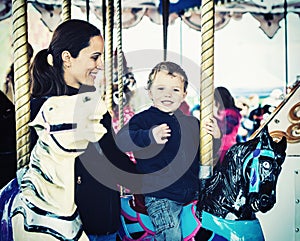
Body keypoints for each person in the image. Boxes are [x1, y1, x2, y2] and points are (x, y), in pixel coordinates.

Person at [30, 19, 137, 241]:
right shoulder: (43, 109)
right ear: (67, 58)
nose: (100, 65)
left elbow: (113, 154)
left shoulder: (92, 103)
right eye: (94, 57)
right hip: (66, 224)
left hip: (104, 220)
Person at [116, 61, 221, 241]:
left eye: (175, 90)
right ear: (149, 92)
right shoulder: (143, 120)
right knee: (171, 234)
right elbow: (122, 140)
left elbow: (207, 155)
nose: (168, 95)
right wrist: (149, 136)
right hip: (161, 197)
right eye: (161, 89)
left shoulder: (192, 123)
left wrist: (216, 138)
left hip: (193, 194)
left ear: (184, 94)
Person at [213, 86, 242, 164]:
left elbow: (227, 129)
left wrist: (216, 116)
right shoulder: (223, 113)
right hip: (219, 148)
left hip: (226, 149)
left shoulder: (232, 113)